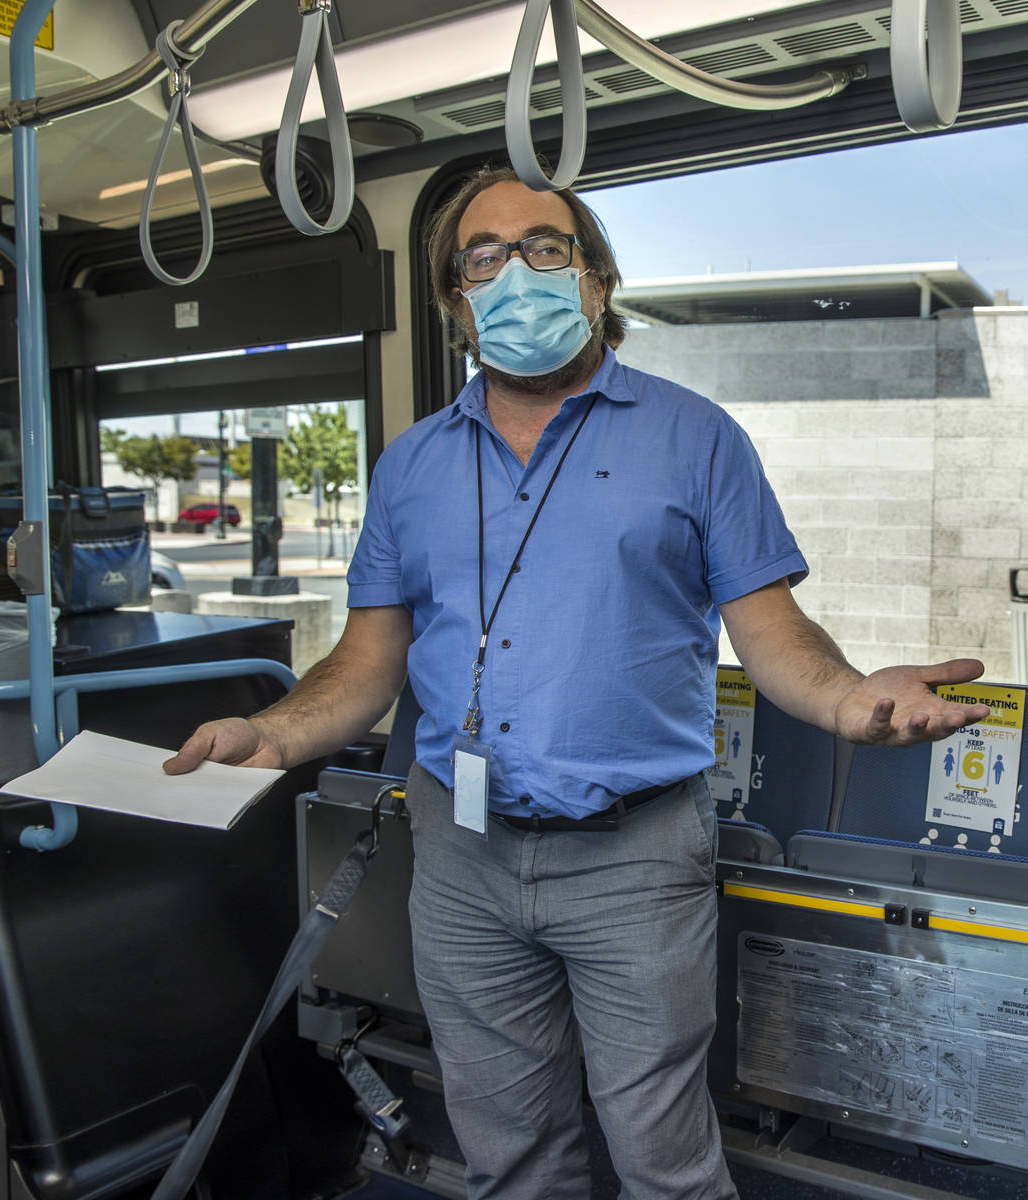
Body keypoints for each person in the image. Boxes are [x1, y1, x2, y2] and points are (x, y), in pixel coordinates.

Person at [165, 166, 990, 1199]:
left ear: (595, 281)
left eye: (544, 248)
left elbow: (776, 638)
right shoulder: (410, 466)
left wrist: (851, 700)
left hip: (634, 858)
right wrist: (273, 735)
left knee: (665, 1164)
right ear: (457, 303)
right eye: (484, 256)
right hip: (459, 858)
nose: (516, 272)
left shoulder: (695, 439)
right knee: (508, 1159)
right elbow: (366, 661)